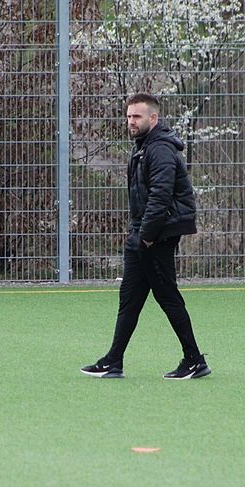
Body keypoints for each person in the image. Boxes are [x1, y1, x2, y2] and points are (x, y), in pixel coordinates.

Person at [80, 93, 208, 380]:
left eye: (136, 116)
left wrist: (147, 236)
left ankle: (194, 360)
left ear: (153, 118)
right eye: (128, 116)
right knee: (130, 299)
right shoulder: (144, 146)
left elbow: (160, 197)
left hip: (155, 236)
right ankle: (113, 361)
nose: (130, 121)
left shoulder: (159, 149)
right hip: (143, 233)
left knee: (167, 296)